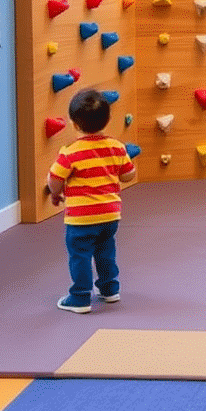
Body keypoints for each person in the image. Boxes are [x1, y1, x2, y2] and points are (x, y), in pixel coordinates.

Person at [46, 87, 136, 312]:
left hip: (81, 219)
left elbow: (54, 179)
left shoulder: (70, 152)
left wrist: (56, 194)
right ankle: (109, 289)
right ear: (107, 120)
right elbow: (128, 174)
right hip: (109, 215)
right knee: (106, 251)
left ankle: (80, 297)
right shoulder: (116, 147)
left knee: (80, 256)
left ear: (75, 124)